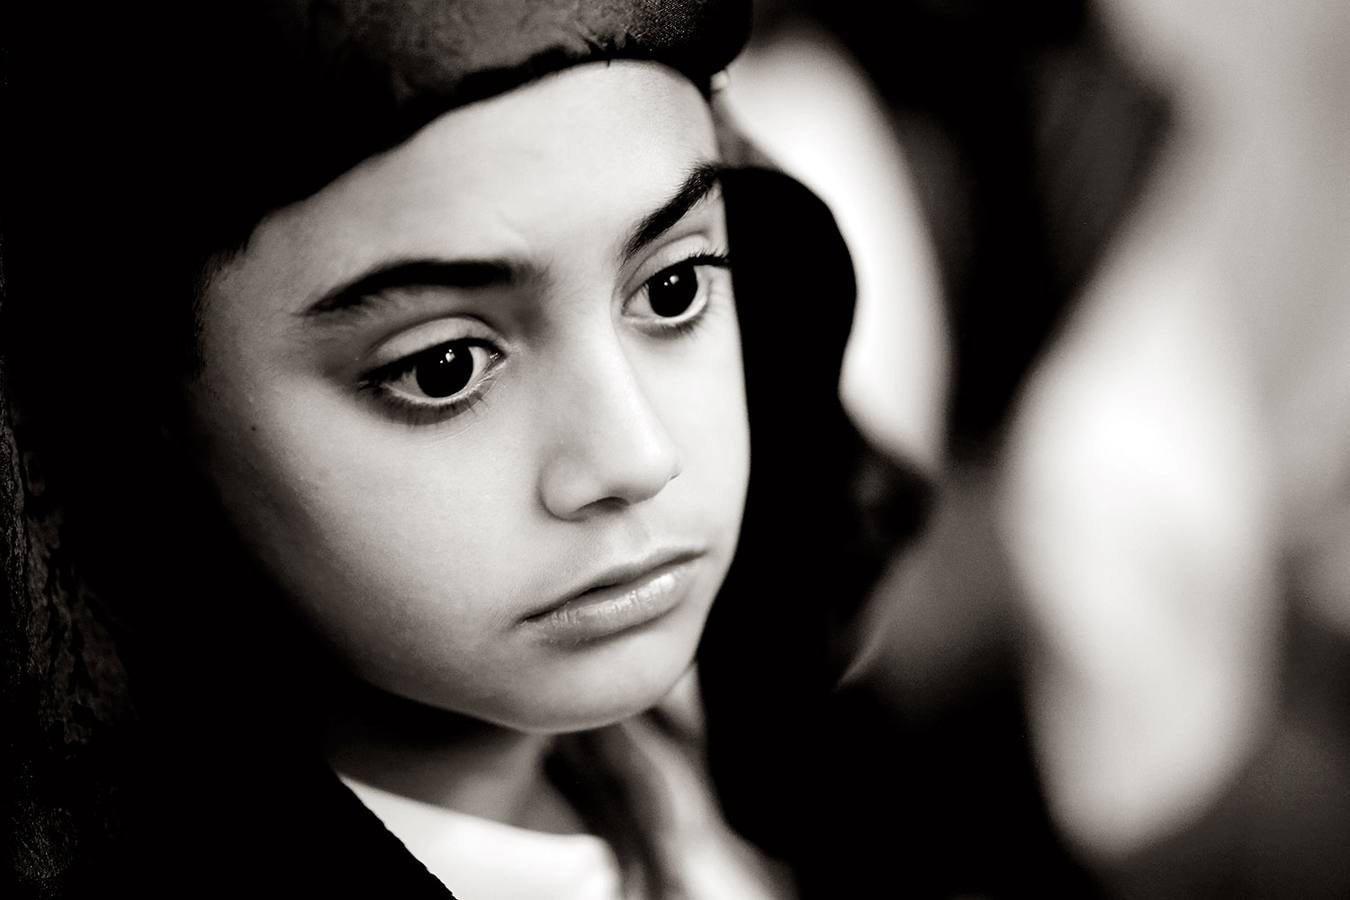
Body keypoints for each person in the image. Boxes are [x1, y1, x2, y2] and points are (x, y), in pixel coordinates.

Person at [1, 1, 923, 896]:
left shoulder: (712, 771)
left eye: (674, 288)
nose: (638, 458)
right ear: (149, 414)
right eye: (444, 368)